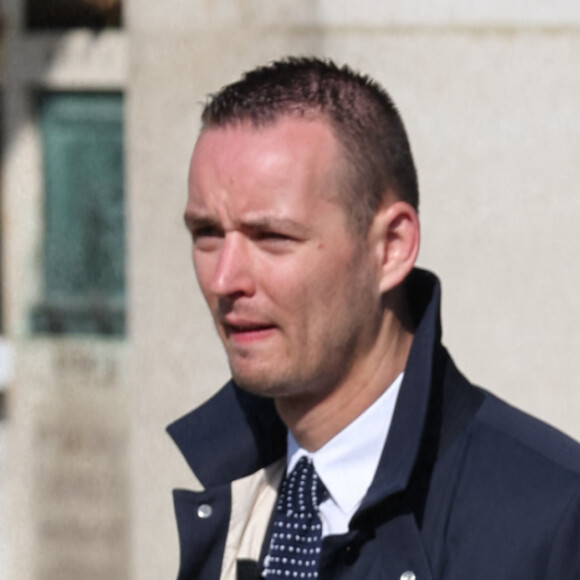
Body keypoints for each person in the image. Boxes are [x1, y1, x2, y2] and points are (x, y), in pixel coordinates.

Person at [168, 57, 580, 580]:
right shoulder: (232, 499)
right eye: (206, 233)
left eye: (272, 237)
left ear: (391, 247)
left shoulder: (552, 520)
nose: (225, 279)